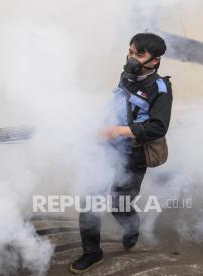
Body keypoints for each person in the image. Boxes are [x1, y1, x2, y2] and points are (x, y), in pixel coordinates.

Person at [69, 32, 173, 274]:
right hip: (106, 151)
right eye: (130, 51)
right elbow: (116, 104)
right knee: (90, 201)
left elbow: (159, 127)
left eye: (139, 54)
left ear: (155, 60)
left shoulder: (160, 87)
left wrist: (118, 130)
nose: (131, 57)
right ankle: (92, 253)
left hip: (133, 156)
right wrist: (94, 119)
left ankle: (132, 227)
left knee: (120, 204)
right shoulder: (127, 76)